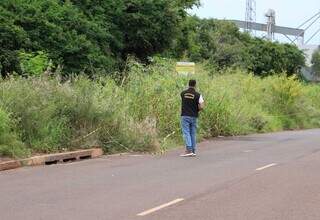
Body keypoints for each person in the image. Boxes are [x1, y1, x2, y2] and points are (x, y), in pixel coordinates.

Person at [180, 79, 204, 157]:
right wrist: (197, 109)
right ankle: (193, 150)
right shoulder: (198, 95)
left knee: (186, 132)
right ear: (195, 85)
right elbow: (201, 106)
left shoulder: (183, 93)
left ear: (188, 84)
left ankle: (189, 150)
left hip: (185, 116)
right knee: (193, 133)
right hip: (194, 116)